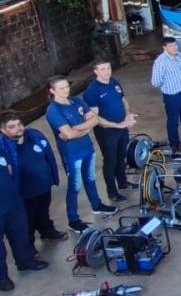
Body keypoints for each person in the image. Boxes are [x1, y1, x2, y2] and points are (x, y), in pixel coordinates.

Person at [45, 76, 118, 233]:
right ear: (52, 91)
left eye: (66, 87)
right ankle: (73, 220)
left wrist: (77, 129)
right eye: (61, 88)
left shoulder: (76, 101)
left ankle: (96, 205)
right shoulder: (53, 110)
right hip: (71, 154)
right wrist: (85, 128)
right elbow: (69, 135)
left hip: (87, 148)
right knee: (75, 187)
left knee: (90, 179)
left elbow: (95, 118)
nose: (66, 90)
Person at [1, 114, 65, 246]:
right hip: (24, 192)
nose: (18, 128)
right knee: (28, 220)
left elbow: (49, 156)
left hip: (43, 185)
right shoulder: (4, 148)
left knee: (43, 211)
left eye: (19, 124)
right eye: (12, 127)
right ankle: (30, 247)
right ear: (3, 130)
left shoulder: (34, 136)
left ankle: (47, 231)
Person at [82, 60, 137, 203]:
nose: (106, 71)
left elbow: (123, 100)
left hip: (122, 127)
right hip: (107, 133)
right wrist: (117, 125)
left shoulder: (114, 82)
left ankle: (123, 183)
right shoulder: (92, 91)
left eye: (108, 68)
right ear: (96, 72)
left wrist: (127, 115)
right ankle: (112, 192)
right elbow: (95, 118)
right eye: (102, 69)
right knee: (110, 161)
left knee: (121, 156)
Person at [0, 133, 49, 292]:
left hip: (12, 202)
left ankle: (25, 261)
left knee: (20, 234)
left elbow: (9, 170)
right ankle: (2, 278)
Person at [151, 38, 181, 151]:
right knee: (173, 120)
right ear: (164, 48)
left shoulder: (179, 55)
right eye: (171, 46)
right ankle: (175, 144)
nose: (175, 47)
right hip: (172, 95)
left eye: (175, 45)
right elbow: (155, 82)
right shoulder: (160, 62)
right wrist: (167, 85)